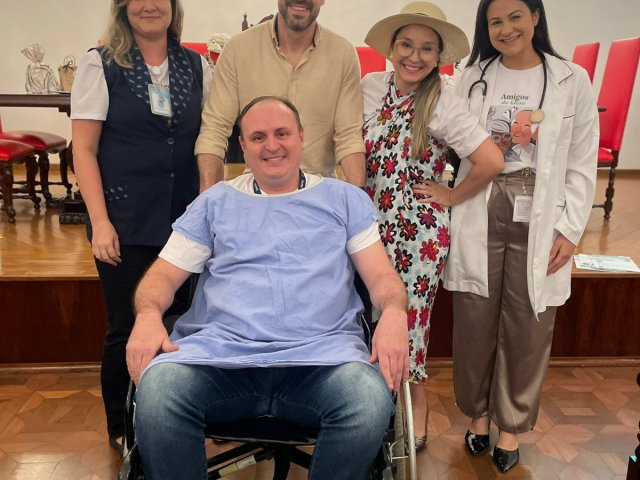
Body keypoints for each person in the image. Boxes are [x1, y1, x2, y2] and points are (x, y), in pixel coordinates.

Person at [126, 96, 410, 480]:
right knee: (158, 393)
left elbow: (381, 278)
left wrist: (393, 311)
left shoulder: (344, 200)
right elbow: (161, 276)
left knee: (368, 400)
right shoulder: (214, 204)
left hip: (322, 362)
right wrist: (147, 315)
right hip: (219, 362)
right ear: (242, 146)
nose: (271, 145)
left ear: (302, 137)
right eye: (258, 137)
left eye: (282, 133)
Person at [443, 0, 598, 472]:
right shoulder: (471, 77)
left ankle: (510, 425)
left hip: (541, 207)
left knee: (529, 319)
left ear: (535, 17)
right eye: (495, 21)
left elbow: (582, 159)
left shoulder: (571, 79)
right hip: (481, 198)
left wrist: (570, 229)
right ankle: (478, 417)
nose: (506, 28)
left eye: (515, 17)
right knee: (474, 316)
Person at [361, 1, 504, 450]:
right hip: (368, 228)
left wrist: (450, 195)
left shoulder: (443, 100)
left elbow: (491, 160)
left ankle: (414, 411)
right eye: (406, 44)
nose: (415, 56)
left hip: (417, 233)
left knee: (407, 325)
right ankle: (370, 411)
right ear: (391, 47)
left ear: (439, 55)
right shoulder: (369, 87)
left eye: (427, 48)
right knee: (367, 319)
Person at [70, 0, 212, 454]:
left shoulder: (197, 65)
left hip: (184, 223)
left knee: (182, 324)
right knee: (126, 324)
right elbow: (83, 149)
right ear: (123, 7)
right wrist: (100, 222)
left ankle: (173, 417)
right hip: (124, 221)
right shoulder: (100, 65)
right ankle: (122, 424)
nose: (150, 5)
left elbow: (208, 140)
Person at [194, 0, 367, 190]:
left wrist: (359, 200)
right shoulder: (238, 50)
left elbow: (348, 138)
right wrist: (209, 200)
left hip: (319, 192)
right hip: (256, 192)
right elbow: (215, 131)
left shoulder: (343, 55)